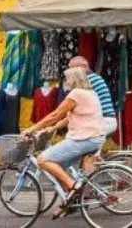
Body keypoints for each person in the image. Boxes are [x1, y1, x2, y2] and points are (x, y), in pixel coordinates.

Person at [20, 67, 105, 219]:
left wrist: (31, 129)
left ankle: (74, 187)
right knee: (58, 168)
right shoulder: (90, 93)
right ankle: (68, 203)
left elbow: (55, 115)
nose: (64, 83)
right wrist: (53, 128)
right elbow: (66, 117)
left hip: (83, 139)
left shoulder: (76, 94)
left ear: (72, 80)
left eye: (66, 79)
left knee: (42, 159)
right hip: (93, 138)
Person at [68, 56, 117, 136]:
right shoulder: (95, 77)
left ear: (84, 67)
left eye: (72, 69)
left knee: (79, 144)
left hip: (102, 121)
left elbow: (74, 103)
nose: (71, 73)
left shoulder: (87, 81)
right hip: (106, 120)